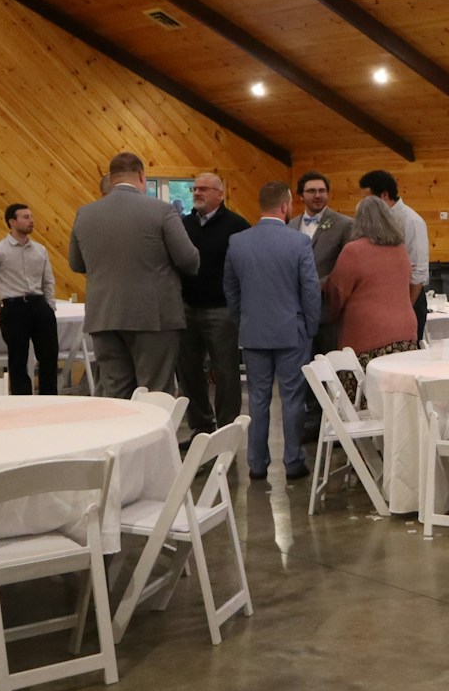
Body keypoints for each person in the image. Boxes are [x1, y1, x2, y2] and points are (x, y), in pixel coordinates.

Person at [68, 152, 200, 401]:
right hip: (153, 316)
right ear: (141, 176)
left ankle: (120, 440)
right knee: (155, 393)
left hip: (104, 316)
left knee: (116, 395)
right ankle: (154, 441)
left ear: (112, 178)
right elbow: (189, 260)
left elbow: (76, 263)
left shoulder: (85, 213)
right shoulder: (161, 210)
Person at [225, 181, 318, 482]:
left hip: (253, 331)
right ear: (285, 206)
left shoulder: (237, 242)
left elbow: (231, 289)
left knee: (258, 399)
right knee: (292, 399)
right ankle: (292, 461)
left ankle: (256, 463)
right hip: (292, 330)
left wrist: (243, 320)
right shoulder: (299, 243)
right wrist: (310, 327)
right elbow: (310, 291)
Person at [176, 172, 251, 437]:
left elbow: (246, 267)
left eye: (204, 189)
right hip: (187, 308)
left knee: (226, 371)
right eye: (195, 189)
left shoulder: (237, 226)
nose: (197, 193)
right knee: (188, 371)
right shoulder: (182, 225)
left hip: (221, 309)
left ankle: (227, 429)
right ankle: (200, 426)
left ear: (220, 194)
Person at [0, 202, 59, 396]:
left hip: (39, 305)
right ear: (12, 221)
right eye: (25, 217)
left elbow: (48, 281)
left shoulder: (40, 250)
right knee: (18, 360)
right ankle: (22, 401)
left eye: (31, 217)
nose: (31, 221)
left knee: (49, 357)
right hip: (14, 307)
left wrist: (50, 305)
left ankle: (50, 400)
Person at [323, 196, 418, 363]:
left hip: (367, 335)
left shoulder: (353, 250)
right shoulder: (400, 249)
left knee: (364, 388)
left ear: (359, 220)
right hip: (406, 332)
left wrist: (327, 316)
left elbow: (337, 292)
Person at [359, 170, 431, 342]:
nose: (363, 204)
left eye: (367, 199)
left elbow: (418, 272)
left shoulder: (411, 221)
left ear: (384, 195)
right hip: (382, 299)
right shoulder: (373, 221)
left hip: (408, 298)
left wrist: (404, 310)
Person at [288, 171, 355, 355]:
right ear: (301, 196)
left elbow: (347, 266)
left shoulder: (345, 224)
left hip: (328, 309)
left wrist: (316, 285)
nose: (317, 195)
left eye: (322, 191)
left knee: (331, 366)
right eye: (311, 191)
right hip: (296, 311)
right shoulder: (290, 226)